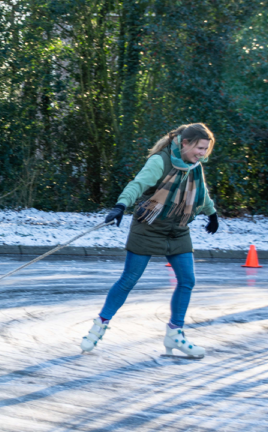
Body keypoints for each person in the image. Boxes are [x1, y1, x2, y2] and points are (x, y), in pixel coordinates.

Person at [81, 123, 220, 358]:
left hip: (177, 228)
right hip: (149, 225)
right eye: (199, 148)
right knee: (129, 279)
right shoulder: (160, 161)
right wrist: (120, 205)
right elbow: (138, 184)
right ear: (184, 143)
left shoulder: (195, 166)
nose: (202, 154)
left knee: (187, 280)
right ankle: (99, 325)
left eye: (205, 149)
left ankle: (175, 334)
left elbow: (201, 193)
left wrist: (212, 213)